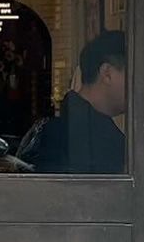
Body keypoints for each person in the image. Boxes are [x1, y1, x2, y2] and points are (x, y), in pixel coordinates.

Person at [29, 30, 127, 174]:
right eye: (132, 73)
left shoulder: (67, 123)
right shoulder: (91, 137)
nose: (140, 85)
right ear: (107, 73)